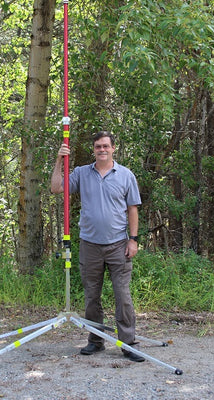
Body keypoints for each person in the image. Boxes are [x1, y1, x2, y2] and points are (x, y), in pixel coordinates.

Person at [51, 131, 144, 362]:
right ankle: (96, 340)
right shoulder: (82, 173)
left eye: (105, 146)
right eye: (97, 147)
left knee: (122, 295)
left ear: (113, 148)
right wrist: (58, 160)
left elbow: (133, 208)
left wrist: (133, 240)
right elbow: (56, 188)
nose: (102, 150)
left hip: (118, 245)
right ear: (93, 150)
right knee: (92, 296)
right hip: (90, 245)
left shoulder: (125, 175)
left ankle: (128, 343)